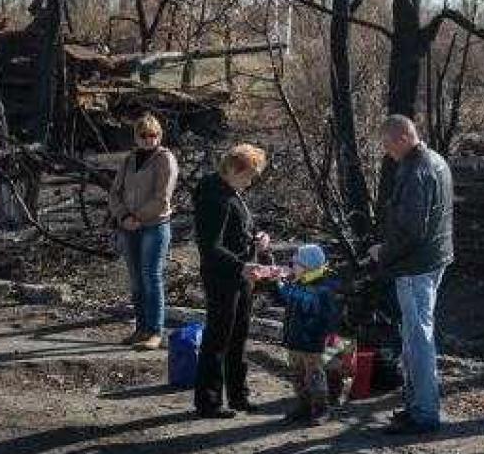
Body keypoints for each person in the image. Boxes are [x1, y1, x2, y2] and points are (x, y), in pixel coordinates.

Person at [368, 115, 454, 435]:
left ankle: (424, 413)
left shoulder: (416, 170)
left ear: (403, 137)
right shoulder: (437, 161)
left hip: (415, 265)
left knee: (418, 339)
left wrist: (384, 252)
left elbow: (412, 229)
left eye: (388, 145)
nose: (387, 151)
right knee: (415, 335)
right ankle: (417, 404)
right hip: (433, 259)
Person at [193, 143, 270, 419]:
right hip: (223, 276)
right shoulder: (215, 197)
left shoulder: (233, 193)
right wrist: (241, 266)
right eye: (249, 175)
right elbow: (210, 246)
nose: (251, 182)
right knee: (218, 338)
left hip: (242, 274)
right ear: (234, 170)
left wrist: (258, 237)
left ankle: (239, 395)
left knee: (239, 337)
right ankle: (209, 401)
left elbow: (240, 228)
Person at [107, 113, 178, 351]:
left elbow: (162, 198)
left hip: (154, 226)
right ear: (136, 137)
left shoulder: (165, 159)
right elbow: (115, 193)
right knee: (136, 280)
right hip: (128, 227)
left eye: (154, 135)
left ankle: (155, 330)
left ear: (160, 135)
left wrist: (138, 217)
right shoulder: (129, 160)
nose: (149, 139)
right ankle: (140, 328)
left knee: (151, 277)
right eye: (144, 135)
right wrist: (123, 217)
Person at [273, 243, 339, 426]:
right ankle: (303, 405)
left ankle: (321, 408)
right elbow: (287, 298)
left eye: (296, 264)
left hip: (312, 340)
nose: (293, 266)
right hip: (295, 339)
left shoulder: (322, 286)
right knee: (297, 374)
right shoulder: (300, 282)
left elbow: (303, 299)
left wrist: (282, 284)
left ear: (308, 266)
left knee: (315, 375)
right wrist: (279, 283)